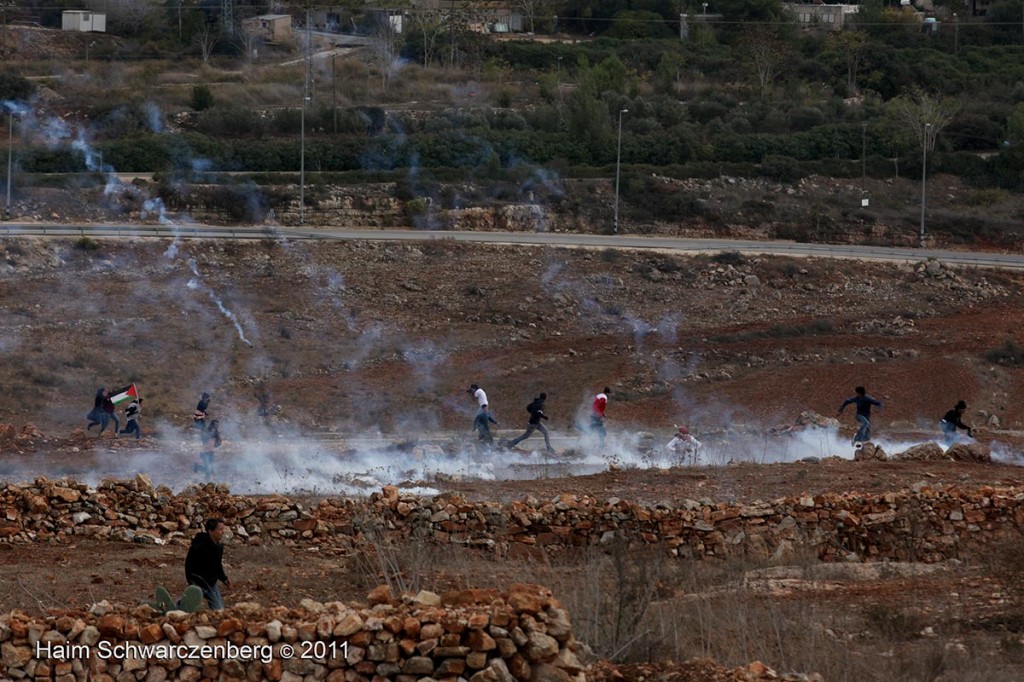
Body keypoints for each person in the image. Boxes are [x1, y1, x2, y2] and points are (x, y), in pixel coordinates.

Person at [183, 518, 229, 610]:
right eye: (220, 530)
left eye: (223, 529)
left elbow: (217, 565)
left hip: (211, 583)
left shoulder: (217, 547)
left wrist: (223, 578)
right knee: (186, 609)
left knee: (219, 610)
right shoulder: (199, 546)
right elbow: (189, 564)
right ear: (210, 531)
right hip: (197, 582)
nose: (222, 532)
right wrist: (192, 580)